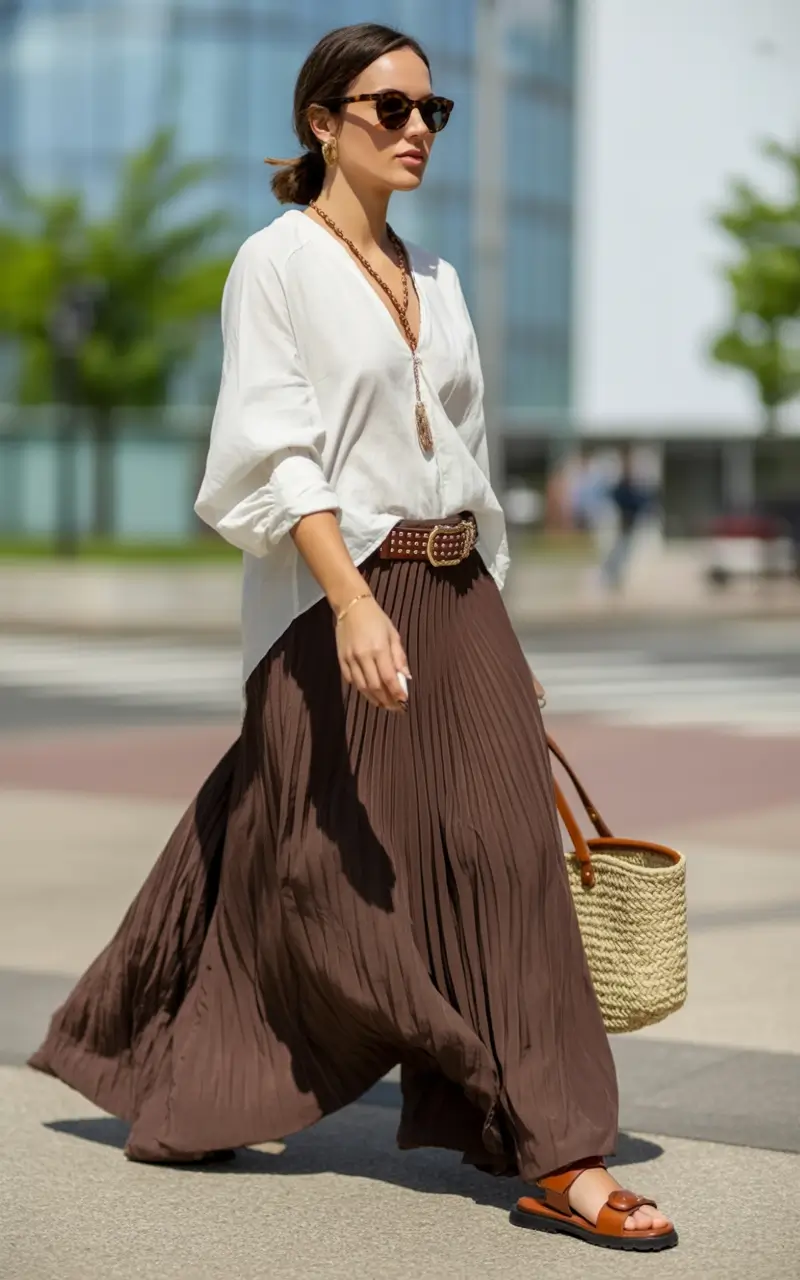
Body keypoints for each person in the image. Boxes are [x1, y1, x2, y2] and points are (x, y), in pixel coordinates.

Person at [29, 23, 676, 1253]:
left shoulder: (438, 275)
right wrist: (350, 598)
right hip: (342, 592)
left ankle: (559, 1148)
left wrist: (501, 629)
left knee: (506, 852)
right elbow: (274, 450)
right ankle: (207, 1074)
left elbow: (467, 462)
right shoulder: (273, 264)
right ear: (321, 121)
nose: (418, 129)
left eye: (434, 110)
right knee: (314, 868)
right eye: (390, 108)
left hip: (458, 586)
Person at [601, 448, 655, 592]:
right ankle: (612, 578)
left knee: (624, 552)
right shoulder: (622, 486)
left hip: (629, 522)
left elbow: (641, 501)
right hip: (623, 522)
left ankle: (615, 578)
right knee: (619, 551)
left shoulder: (632, 486)